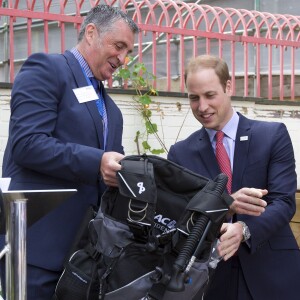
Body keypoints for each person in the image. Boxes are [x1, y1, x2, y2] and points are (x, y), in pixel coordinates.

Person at [0, 4, 138, 299]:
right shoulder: (47, 69)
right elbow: (27, 144)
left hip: (81, 259)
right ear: (91, 33)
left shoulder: (111, 110)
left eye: (128, 51)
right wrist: (97, 161)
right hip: (33, 248)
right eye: (119, 46)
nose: (123, 59)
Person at [167, 54, 300, 300]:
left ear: (228, 87)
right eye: (194, 98)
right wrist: (225, 206)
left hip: (273, 273)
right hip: (214, 281)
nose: (202, 107)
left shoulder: (272, 136)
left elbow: (284, 202)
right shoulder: (180, 153)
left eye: (209, 95)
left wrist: (244, 229)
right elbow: (179, 218)